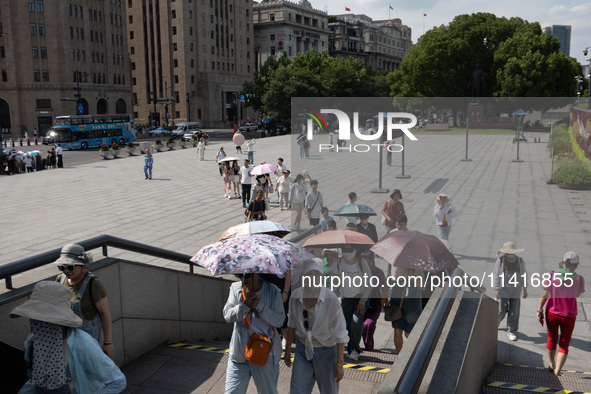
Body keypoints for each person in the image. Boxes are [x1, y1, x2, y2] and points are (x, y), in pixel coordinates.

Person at [11, 281, 126, 393]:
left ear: (59, 322)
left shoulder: (83, 345)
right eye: (35, 320)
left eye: (45, 320)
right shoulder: (32, 341)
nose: (39, 325)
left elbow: (117, 381)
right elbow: (35, 382)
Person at [283, 259, 348, 394]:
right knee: (297, 390)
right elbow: (292, 324)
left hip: (326, 351)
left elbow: (340, 333)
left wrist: (340, 364)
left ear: (322, 277)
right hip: (302, 349)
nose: (313, 278)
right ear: (303, 277)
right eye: (310, 274)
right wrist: (288, 350)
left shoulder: (331, 299)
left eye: (317, 274)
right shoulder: (295, 296)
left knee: (328, 391)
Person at [223, 273, 285, 393]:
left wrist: (260, 306)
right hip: (239, 354)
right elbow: (227, 315)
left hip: (264, 355)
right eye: (240, 275)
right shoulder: (236, 288)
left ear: (257, 272)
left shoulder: (272, 291)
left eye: (248, 275)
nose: (244, 279)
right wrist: (243, 306)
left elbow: (279, 320)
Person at [55, 244, 115, 358]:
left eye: (70, 267)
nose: (66, 271)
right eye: (62, 267)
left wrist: (108, 342)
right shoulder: (60, 280)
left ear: (82, 265)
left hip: (87, 345)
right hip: (65, 342)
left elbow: (105, 313)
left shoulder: (94, 284)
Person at [537, 251, 585, 376]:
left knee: (552, 339)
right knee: (564, 342)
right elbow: (578, 294)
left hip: (552, 312)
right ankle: (557, 371)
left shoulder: (553, 275)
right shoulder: (579, 279)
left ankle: (551, 363)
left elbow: (545, 294)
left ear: (563, 262)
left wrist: (539, 309)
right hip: (569, 315)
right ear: (576, 265)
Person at [326, 246, 372, 362]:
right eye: (344, 250)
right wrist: (337, 279)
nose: (347, 252)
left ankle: (355, 350)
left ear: (355, 250)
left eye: (350, 250)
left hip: (359, 299)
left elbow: (369, 283)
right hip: (345, 298)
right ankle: (349, 348)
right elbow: (334, 283)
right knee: (345, 325)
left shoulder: (361, 263)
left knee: (356, 322)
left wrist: (362, 302)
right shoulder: (338, 263)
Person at [494, 242, 528, 341]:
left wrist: (525, 288)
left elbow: (524, 275)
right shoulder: (500, 261)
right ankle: (497, 321)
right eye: (508, 253)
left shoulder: (520, 261)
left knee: (514, 311)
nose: (510, 255)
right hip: (503, 289)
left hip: (516, 290)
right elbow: (496, 276)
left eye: (511, 253)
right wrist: (496, 289)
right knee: (501, 310)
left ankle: (511, 331)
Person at [389, 267, 423, 355]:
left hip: (412, 306)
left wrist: (414, 278)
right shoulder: (396, 265)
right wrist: (385, 293)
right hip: (397, 303)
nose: (411, 270)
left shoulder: (418, 268)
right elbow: (389, 278)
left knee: (409, 333)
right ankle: (399, 356)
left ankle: (411, 355)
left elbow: (423, 287)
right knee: (397, 331)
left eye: (412, 269)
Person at [361, 253, 387, 351]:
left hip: (375, 303)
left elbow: (384, 287)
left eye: (369, 262)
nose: (367, 264)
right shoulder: (359, 272)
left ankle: (369, 347)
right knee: (360, 325)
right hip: (361, 303)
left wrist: (385, 296)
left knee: (369, 324)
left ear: (372, 261)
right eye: (365, 262)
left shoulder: (378, 272)